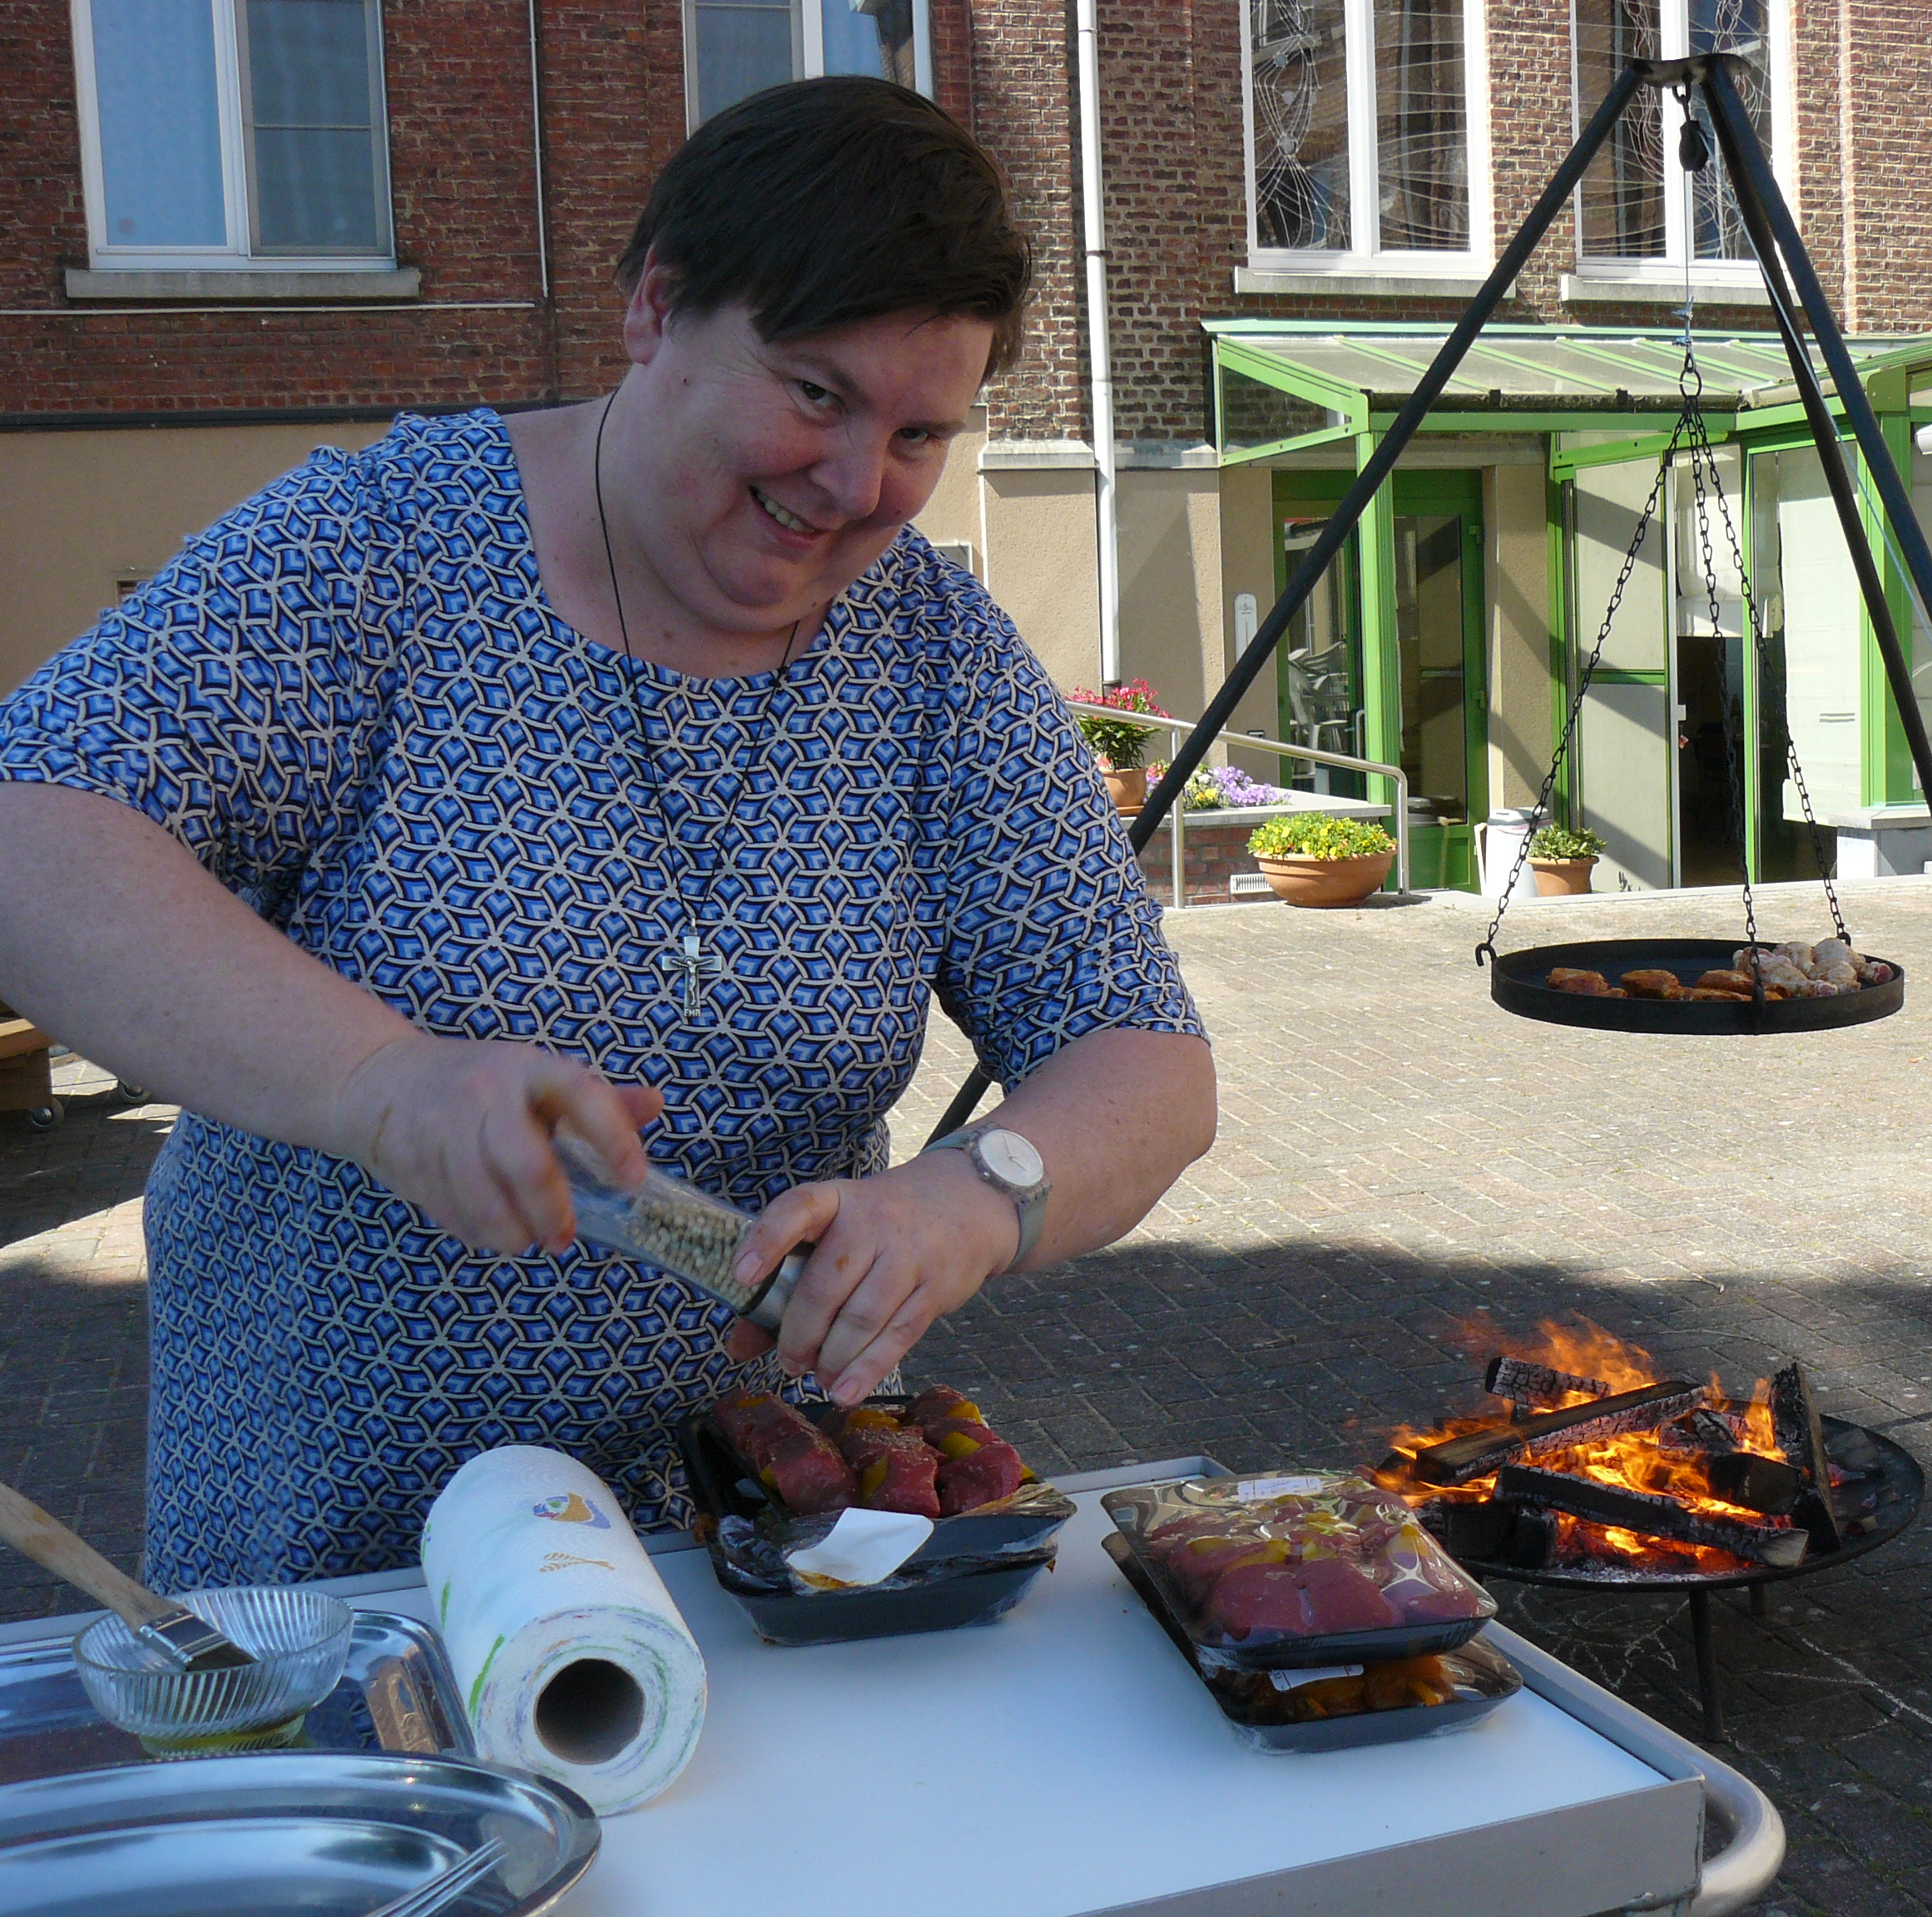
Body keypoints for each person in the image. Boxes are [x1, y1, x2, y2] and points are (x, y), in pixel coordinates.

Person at [0, 80, 1216, 1590]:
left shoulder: (930, 649)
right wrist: (382, 1082)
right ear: (654, 305)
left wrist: (977, 1193)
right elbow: (34, 823)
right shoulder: (387, 544)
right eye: (816, 393)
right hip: (344, 1544)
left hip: (745, 1544)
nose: (853, 486)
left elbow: (1140, 1049)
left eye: (918, 432)